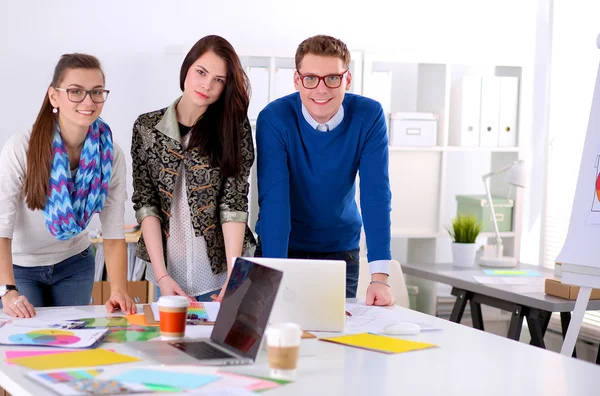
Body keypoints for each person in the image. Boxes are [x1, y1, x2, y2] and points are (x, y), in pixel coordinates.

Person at [255, 35, 395, 306]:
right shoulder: (274, 118)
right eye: (310, 78)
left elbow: (376, 196)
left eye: (332, 78)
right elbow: (274, 204)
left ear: (347, 80)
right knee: (276, 333)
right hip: (281, 248)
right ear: (297, 80)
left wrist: (380, 279)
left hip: (339, 251)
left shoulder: (369, 116)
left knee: (335, 340)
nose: (321, 89)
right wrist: (274, 273)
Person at [0, 53, 137, 318]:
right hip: (21, 267)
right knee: (32, 348)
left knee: (73, 347)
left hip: (75, 263)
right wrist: (7, 289)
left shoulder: (111, 155)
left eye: (96, 92)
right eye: (76, 91)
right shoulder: (21, 148)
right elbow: (1, 227)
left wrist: (119, 290)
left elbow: (113, 230)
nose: (88, 101)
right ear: (54, 97)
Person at [131, 35, 255, 303]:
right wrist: (162, 276)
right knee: (169, 344)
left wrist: (234, 276)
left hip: (220, 275)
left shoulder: (234, 128)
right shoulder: (146, 127)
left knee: (219, 344)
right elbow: (146, 203)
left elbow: (234, 203)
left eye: (219, 80)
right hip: (166, 276)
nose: (206, 85)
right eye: (201, 72)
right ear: (187, 68)